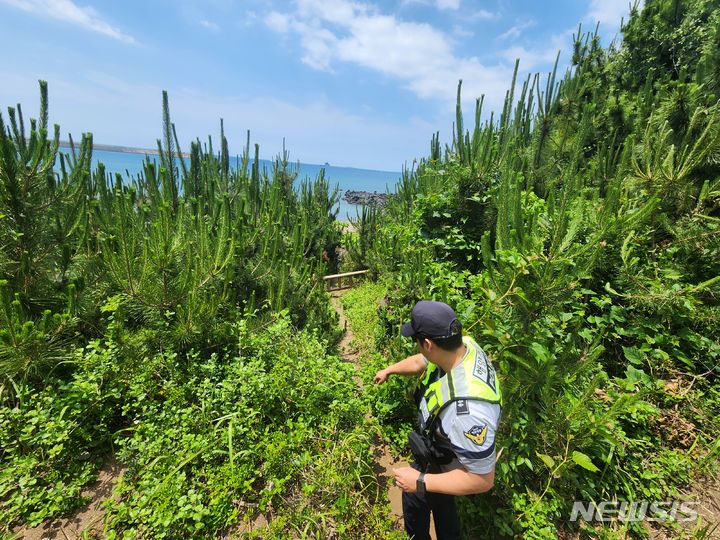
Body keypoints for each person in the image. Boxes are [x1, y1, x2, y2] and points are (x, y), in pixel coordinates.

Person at [374, 300, 501, 540]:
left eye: (418, 341)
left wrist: (420, 481)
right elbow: (420, 361)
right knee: (435, 508)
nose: (418, 348)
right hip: (438, 453)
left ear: (428, 344)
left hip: (448, 464)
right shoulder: (463, 346)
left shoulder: (467, 412)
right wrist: (389, 369)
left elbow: (482, 480)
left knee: (430, 508)